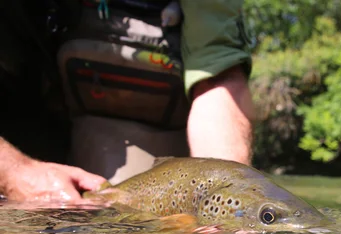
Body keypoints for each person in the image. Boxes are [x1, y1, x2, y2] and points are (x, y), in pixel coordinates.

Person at [0, 0, 255, 203]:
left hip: (110, 112)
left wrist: (226, 195)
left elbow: (217, 76)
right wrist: (15, 173)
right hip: (15, 98)